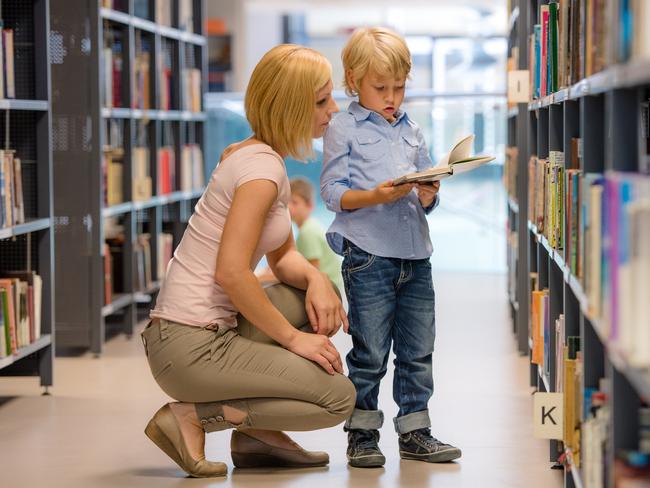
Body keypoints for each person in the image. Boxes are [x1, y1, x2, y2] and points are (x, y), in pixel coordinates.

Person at [141, 44, 354, 478]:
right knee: (337, 398)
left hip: (201, 331)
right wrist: (297, 342)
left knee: (306, 295)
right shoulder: (261, 174)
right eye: (320, 101)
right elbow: (232, 274)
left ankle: (259, 437)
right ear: (290, 107)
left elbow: (283, 257)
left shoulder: (257, 156)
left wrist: (317, 279)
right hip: (189, 345)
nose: (332, 109)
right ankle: (195, 416)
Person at [320, 27, 461, 468]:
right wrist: (375, 197)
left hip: (416, 255)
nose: (392, 96)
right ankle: (362, 433)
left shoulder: (412, 130)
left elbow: (426, 189)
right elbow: (331, 192)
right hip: (369, 255)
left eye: (399, 87)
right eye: (381, 87)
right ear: (354, 80)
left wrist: (429, 194)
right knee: (370, 351)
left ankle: (415, 430)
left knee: (418, 350)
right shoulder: (342, 128)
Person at [287, 177, 344, 292]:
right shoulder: (310, 227)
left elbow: (313, 273)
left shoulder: (308, 232)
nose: (288, 207)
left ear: (309, 205)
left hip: (332, 291)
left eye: (294, 202)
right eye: (286, 202)